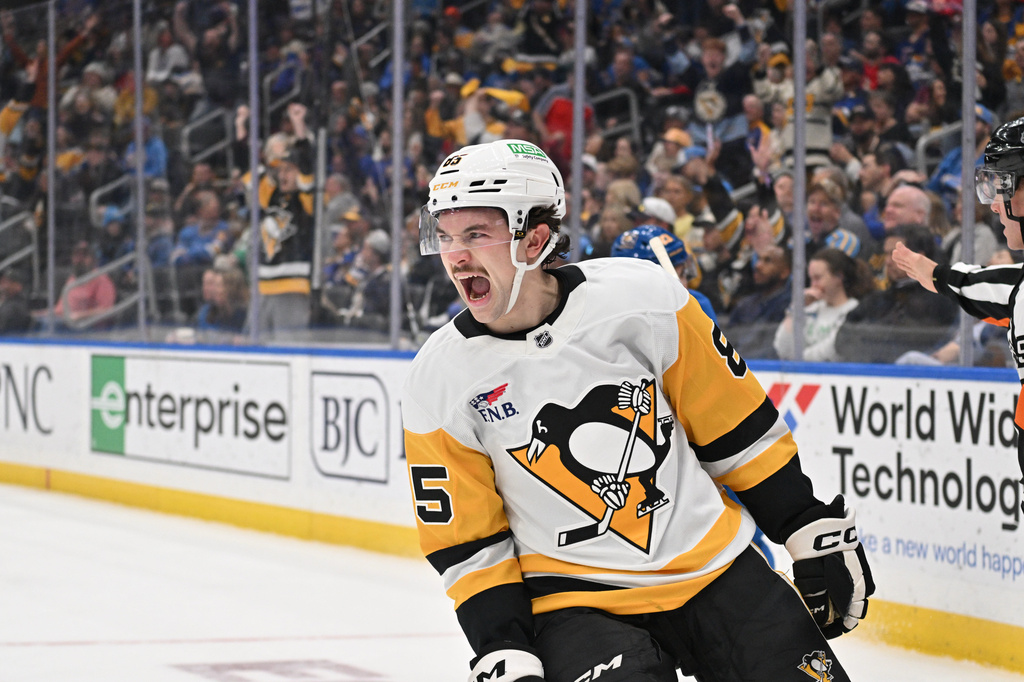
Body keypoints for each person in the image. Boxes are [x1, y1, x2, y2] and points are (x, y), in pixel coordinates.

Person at [403, 139, 873, 682]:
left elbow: (737, 430)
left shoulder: (642, 299)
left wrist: (804, 521)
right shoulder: (437, 378)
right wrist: (501, 645)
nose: (455, 255)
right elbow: (469, 540)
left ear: (533, 241)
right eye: (445, 235)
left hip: (712, 569)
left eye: (476, 235)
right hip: (573, 603)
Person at [892, 116, 1024, 512]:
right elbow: (978, 285)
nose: (995, 204)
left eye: (1005, 184)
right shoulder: (1018, 289)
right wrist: (929, 271)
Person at [774, 248, 876, 362]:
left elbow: (831, 352)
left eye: (818, 278)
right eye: (811, 279)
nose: (813, 285)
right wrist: (795, 309)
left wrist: (798, 358)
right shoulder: (810, 309)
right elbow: (782, 349)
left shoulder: (853, 311)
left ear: (839, 276)